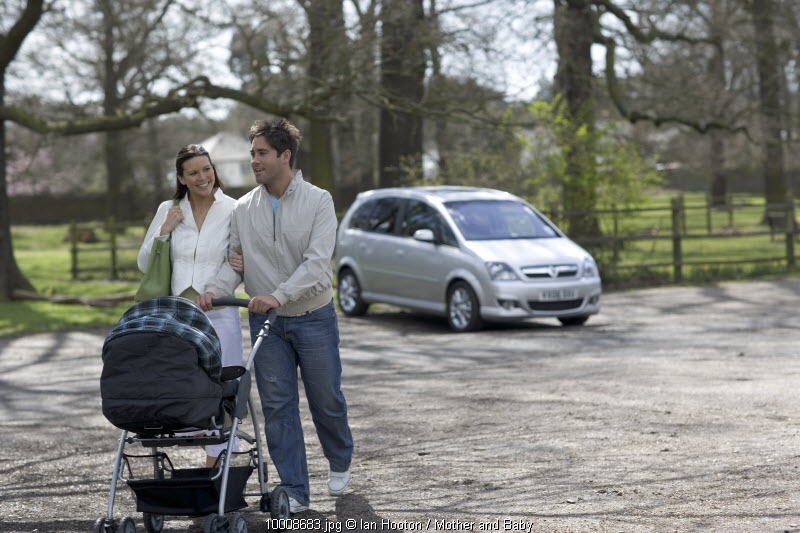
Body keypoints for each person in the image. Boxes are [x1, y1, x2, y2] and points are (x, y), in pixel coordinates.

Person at [196, 118, 353, 514]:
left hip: (314, 316)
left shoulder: (319, 201)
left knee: (326, 400)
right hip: (266, 323)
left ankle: (339, 457)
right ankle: (296, 490)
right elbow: (236, 263)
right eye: (252, 154)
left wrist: (277, 295)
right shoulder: (244, 208)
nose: (254, 161)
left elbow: (317, 264)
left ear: (285, 156)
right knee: (278, 406)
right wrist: (216, 291)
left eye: (261, 153)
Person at [138, 144, 242, 467]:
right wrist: (164, 231)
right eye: (194, 172)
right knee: (185, 391)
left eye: (207, 169)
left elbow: (237, 261)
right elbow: (144, 263)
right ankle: (213, 467)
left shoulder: (234, 209)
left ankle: (214, 483)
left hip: (220, 313)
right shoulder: (168, 209)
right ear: (182, 178)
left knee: (220, 391)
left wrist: (214, 289)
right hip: (179, 319)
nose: (202, 177)